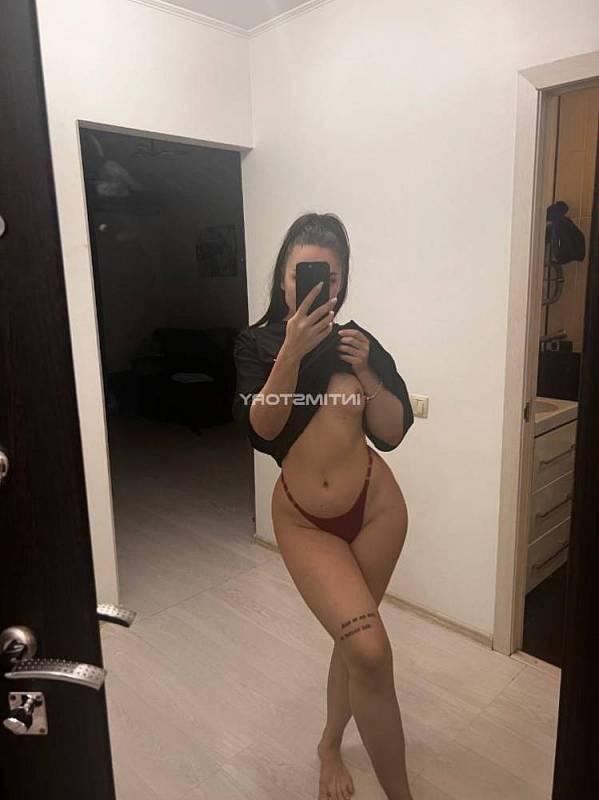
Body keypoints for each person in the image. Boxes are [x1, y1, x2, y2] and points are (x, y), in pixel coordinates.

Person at [232, 213, 415, 800]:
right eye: (301, 273)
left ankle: (332, 742)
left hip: (378, 508)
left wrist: (365, 369)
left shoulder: (358, 343)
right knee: (369, 647)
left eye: (328, 277)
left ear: (341, 282)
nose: (315, 286)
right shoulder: (257, 344)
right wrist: (290, 351)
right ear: (283, 278)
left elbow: (391, 432)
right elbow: (262, 430)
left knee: (355, 645)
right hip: (306, 521)